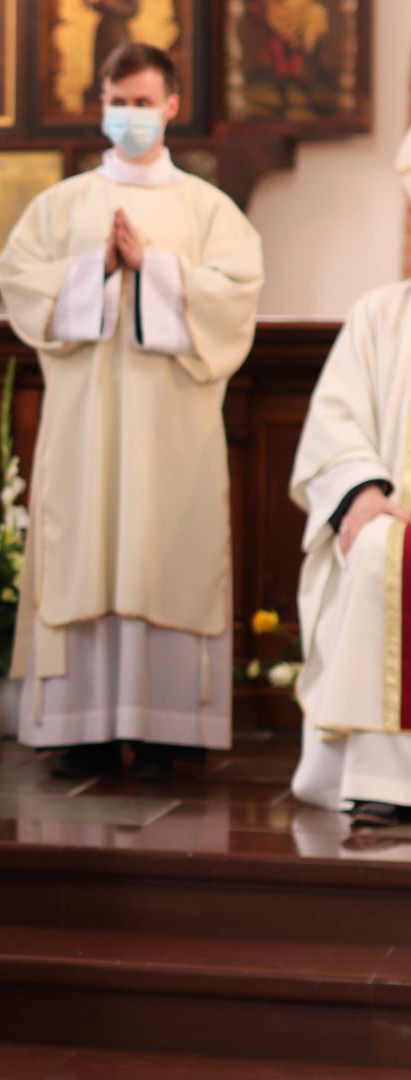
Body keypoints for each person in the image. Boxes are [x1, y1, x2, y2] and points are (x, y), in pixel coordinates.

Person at [0, 43, 264, 780]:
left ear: (172, 106)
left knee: (164, 549)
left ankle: (171, 726)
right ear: (102, 104)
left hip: (173, 429)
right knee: (86, 547)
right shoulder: (62, 206)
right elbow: (17, 279)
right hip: (85, 428)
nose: (132, 116)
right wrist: (97, 270)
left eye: (145, 103)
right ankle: (81, 725)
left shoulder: (208, 209)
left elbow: (236, 295)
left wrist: (155, 268)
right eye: (120, 102)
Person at [288, 128, 411, 828]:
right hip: (396, 517)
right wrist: (363, 489)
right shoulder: (379, 316)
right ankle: (381, 779)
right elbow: (335, 421)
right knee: (377, 552)